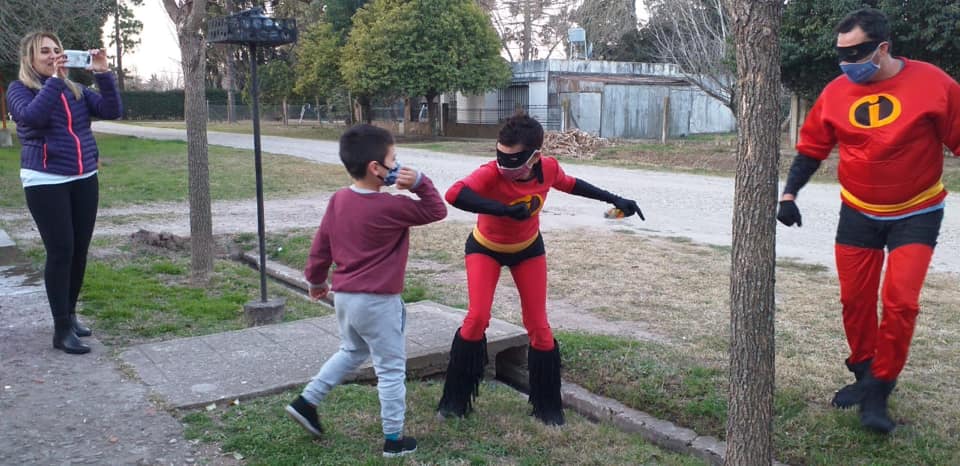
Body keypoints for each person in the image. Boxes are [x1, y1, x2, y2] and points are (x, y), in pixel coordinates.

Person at [777, 8, 960, 434]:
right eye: (841, 54)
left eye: (856, 53)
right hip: (858, 210)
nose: (847, 62)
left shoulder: (934, 84)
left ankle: (880, 387)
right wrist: (789, 195)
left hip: (917, 212)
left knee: (900, 302)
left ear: (882, 48)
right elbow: (812, 147)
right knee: (855, 300)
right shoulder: (837, 92)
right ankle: (864, 371)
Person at [436, 114, 644, 426]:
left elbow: (571, 184)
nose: (504, 166)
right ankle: (454, 403)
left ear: (535, 157)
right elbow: (454, 194)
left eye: (514, 160)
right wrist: (503, 210)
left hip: (528, 250)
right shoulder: (490, 173)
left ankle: (547, 408)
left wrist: (615, 198)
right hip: (485, 248)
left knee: (539, 327)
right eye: (500, 156)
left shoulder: (548, 169)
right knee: (477, 318)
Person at [284, 124, 447, 457]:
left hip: (344, 298)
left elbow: (321, 246)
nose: (398, 166)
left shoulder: (338, 200)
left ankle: (307, 401)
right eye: (394, 159)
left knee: (352, 351)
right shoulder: (392, 207)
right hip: (378, 302)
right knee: (390, 369)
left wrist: (316, 281)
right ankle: (394, 439)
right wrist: (419, 182)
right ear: (376, 168)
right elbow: (436, 210)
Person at [6, 32, 122, 355]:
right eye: (44, 51)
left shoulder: (76, 90)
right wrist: (56, 81)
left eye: (56, 49)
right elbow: (32, 117)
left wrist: (103, 73)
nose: (53, 55)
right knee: (61, 251)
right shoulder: (19, 90)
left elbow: (112, 110)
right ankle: (61, 330)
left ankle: (70, 316)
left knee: (79, 251)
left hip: (84, 177)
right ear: (30, 58)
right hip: (45, 179)